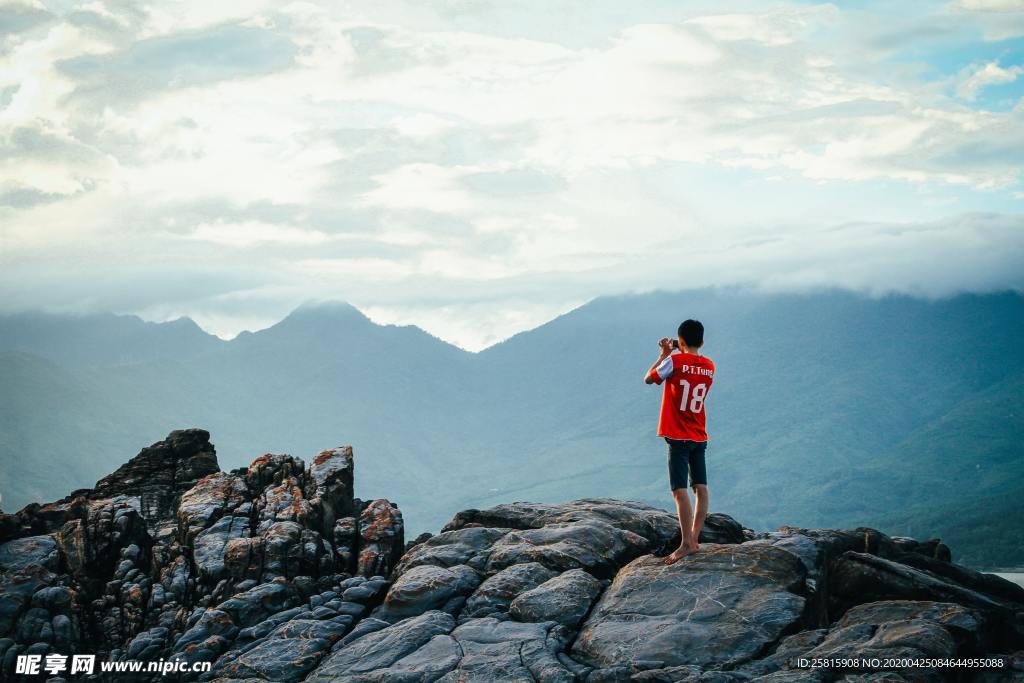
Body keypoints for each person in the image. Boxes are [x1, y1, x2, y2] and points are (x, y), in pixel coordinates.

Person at [644, 319, 715, 565]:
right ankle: (695, 538)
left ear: (680, 341)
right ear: (702, 342)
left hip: (678, 436)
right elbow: (692, 363)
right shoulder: (709, 366)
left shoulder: (674, 361)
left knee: (679, 490)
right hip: (699, 434)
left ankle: (686, 544)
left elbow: (649, 379)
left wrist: (664, 354)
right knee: (701, 488)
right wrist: (680, 348)